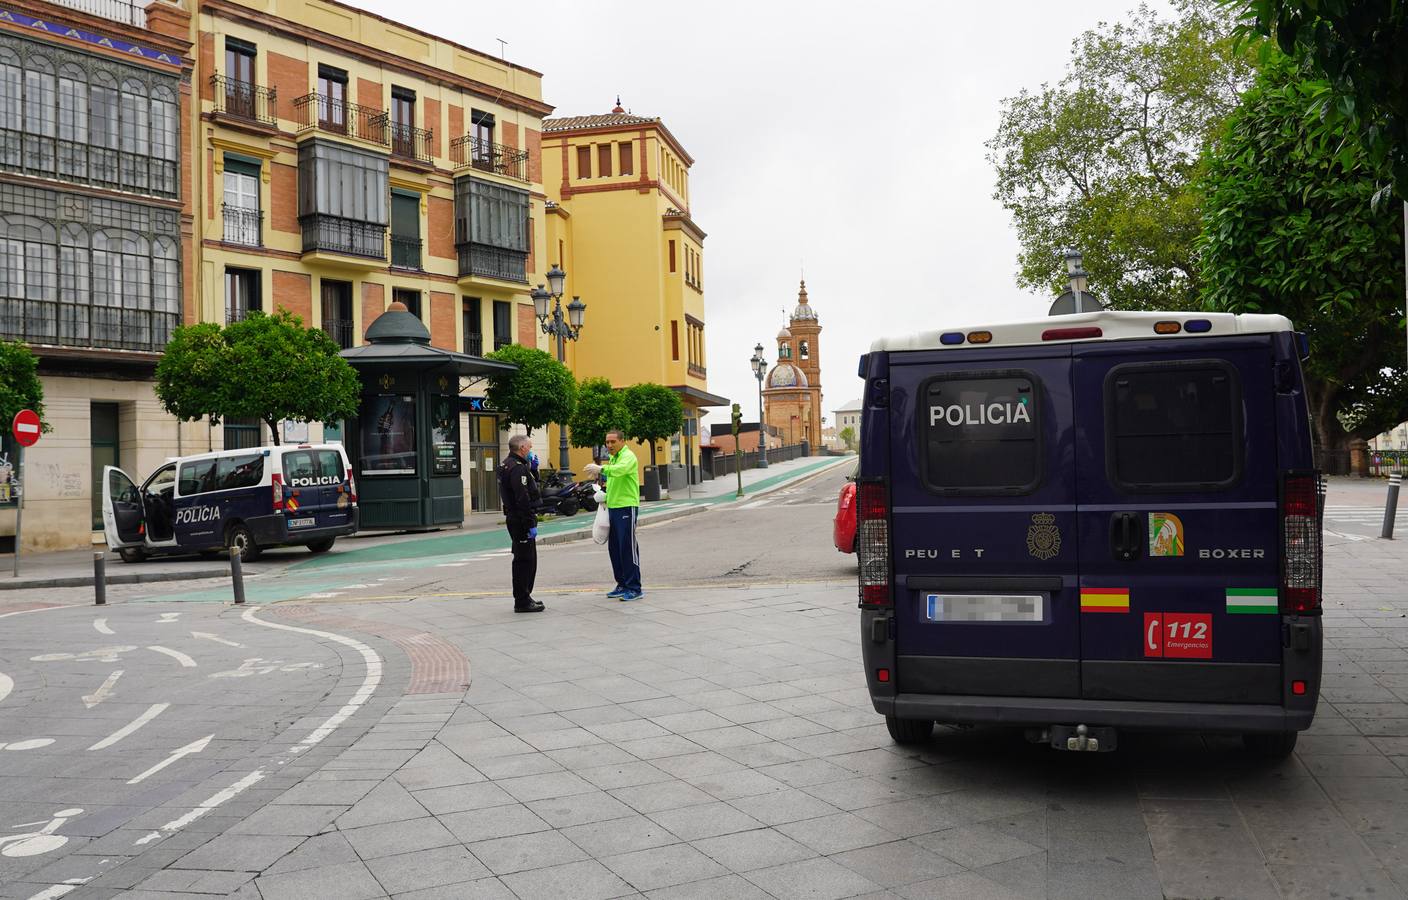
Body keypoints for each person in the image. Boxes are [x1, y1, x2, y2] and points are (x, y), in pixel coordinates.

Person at [584, 428, 642, 600]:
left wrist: (601, 469)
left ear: (622, 441)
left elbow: (620, 470)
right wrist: (604, 496)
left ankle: (634, 587)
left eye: (613, 442)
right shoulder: (613, 458)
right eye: (607, 442)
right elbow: (615, 479)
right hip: (613, 506)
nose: (609, 445)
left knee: (627, 547)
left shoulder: (628, 456)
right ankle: (622, 584)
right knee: (615, 547)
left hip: (626, 507)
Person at [497, 434, 543, 613]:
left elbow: (527, 485)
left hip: (515, 518)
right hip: (520, 519)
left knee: (524, 558)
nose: (530, 451)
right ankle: (522, 600)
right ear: (522, 448)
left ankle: (525, 596)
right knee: (525, 560)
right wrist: (529, 522)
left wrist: (533, 470)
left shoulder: (507, 464)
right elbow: (522, 497)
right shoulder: (517, 468)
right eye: (529, 448)